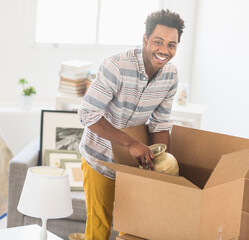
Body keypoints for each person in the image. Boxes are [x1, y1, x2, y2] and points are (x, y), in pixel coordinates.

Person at [78, 9, 185, 240]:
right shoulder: (116, 66)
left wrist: (165, 166)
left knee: (135, 230)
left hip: (136, 166)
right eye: (158, 42)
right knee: (98, 230)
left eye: (171, 45)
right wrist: (130, 143)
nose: (164, 50)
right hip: (100, 159)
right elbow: (87, 114)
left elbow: (160, 124)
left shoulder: (171, 76)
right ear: (145, 39)